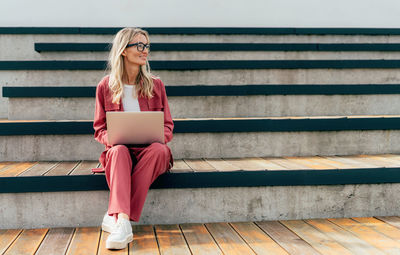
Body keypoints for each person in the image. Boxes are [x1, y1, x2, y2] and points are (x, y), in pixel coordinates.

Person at [92, 27, 174, 250]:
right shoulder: (105, 87)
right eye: (139, 45)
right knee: (117, 151)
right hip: (121, 153)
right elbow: (100, 129)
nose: (144, 50)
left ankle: (118, 217)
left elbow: (168, 126)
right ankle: (124, 222)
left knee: (160, 150)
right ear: (123, 50)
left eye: (146, 45)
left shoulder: (156, 85)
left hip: (150, 152)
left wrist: (158, 135)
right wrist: (115, 138)